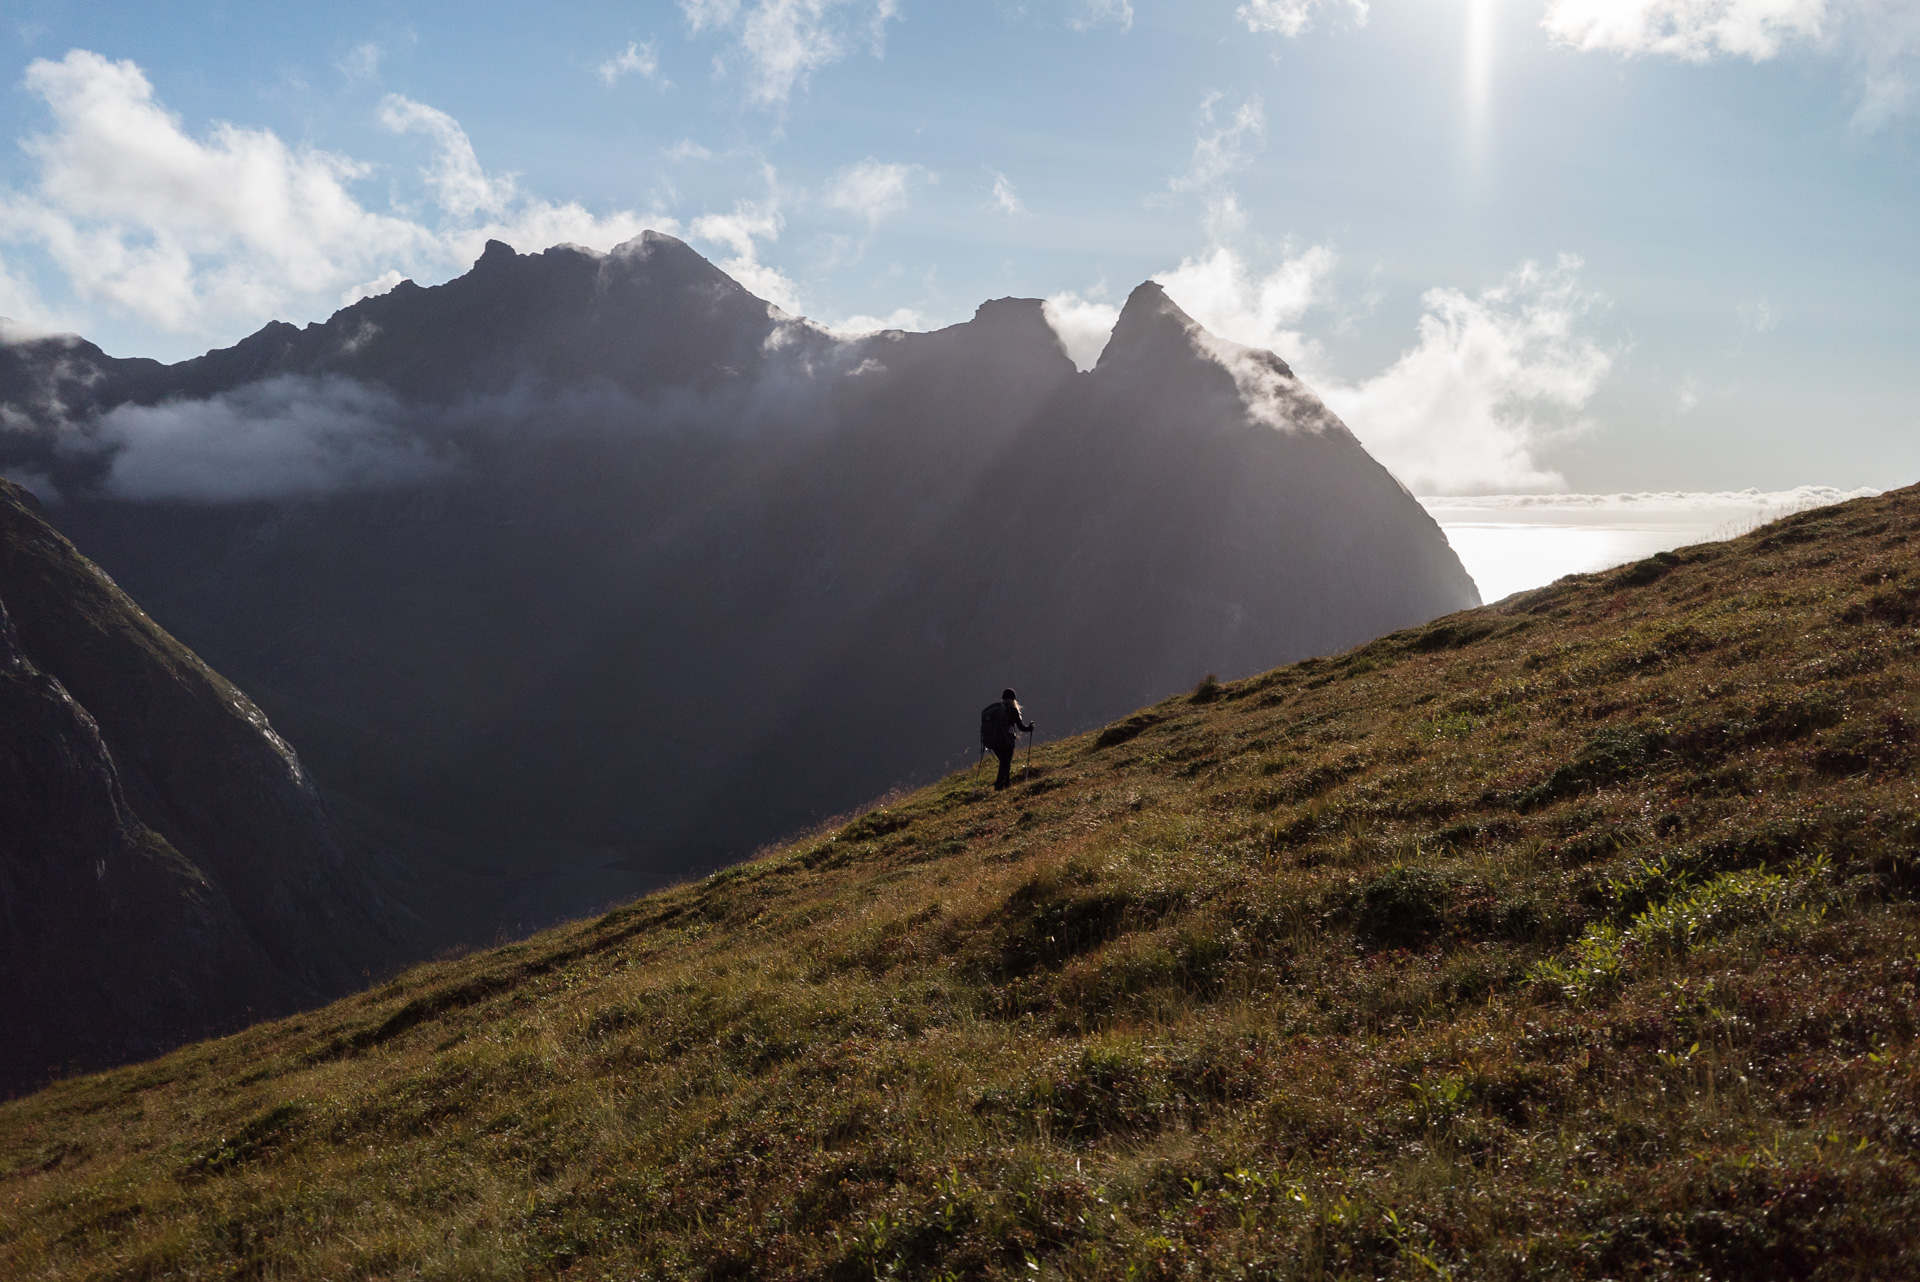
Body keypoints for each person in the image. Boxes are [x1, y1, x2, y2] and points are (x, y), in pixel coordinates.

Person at [980, 687, 1035, 790]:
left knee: (1004, 762)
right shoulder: (1012, 710)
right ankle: (999, 786)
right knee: (1006, 762)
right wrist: (1030, 727)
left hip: (994, 740)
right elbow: (1021, 727)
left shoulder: (997, 711)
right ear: (1013, 699)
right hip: (1007, 741)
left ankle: (1006, 785)